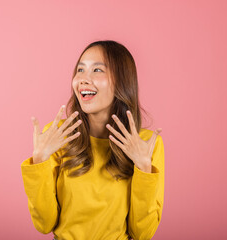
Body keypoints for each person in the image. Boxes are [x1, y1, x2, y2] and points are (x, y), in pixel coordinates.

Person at [20, 40, 165, 240]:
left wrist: (143, 166)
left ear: (122, 81)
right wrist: (40, 160)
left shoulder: (147, 144)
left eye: (97, 70)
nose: (83, 79)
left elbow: (142, 233)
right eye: (80, 70)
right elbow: (44, 224)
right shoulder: (58, 136)